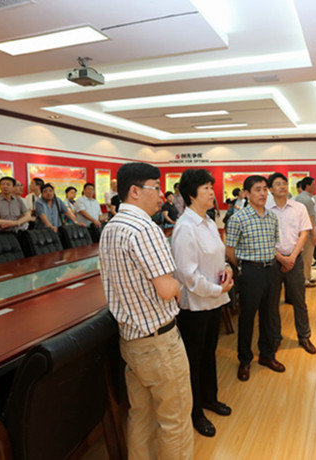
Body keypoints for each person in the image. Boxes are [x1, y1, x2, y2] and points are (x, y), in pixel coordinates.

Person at [99, 162, 193, 459]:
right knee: (176, 419)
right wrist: (178, 286)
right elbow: (166, 289)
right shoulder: (145, 228)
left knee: (141, 416)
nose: (162, 195)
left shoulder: (111, 227)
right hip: (159, 344)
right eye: (156, 187)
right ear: (135, 191)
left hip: (131, 341)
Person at [171, 169, 234, 438]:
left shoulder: (207, 221)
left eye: (211, 187)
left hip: (214, 300)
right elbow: (187, 275)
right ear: (191, 194)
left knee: (210, 352)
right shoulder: (185, 227)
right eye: (206, 188)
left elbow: (218, 256)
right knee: (193, 361)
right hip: (195, 306)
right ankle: (195, 412)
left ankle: (210, 398)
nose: (212, 192)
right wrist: (217, 288)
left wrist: (227, 270)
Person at [225, 175, 284, 381]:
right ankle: (245, 359)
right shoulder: (238, 218)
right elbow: (230, 250)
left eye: (265, 189)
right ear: (247, 193)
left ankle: (267, 355)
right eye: (257, 189)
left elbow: (274, 245)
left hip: (271, 270)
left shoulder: (272, 217)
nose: (262, 193)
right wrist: (243, 268)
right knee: (248, 316)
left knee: (270, 314)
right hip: (250, 272)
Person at [267, 173, 316, 354]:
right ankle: (275, 337)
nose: (282, 186)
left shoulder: (299, 207)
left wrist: (292, 257)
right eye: (277, 184)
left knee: (299, 300)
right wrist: (281, 258)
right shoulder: (265, 209)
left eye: (284, 183)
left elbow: (304, 233)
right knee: (272, 303)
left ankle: (304, 336)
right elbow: (264, 238)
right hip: (273, 261)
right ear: (271, 189)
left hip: (295, 259)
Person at [294, 177, 316, 287]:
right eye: (313, 184)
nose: (315, 187)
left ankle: (307, 276)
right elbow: (311, 218)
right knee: (307, 256)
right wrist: (314, 235)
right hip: (307, 231)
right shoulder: (308, 200)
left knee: (304, 255)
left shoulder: (298, 197)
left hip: (298, 230)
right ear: (307, 186)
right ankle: (305, 279)